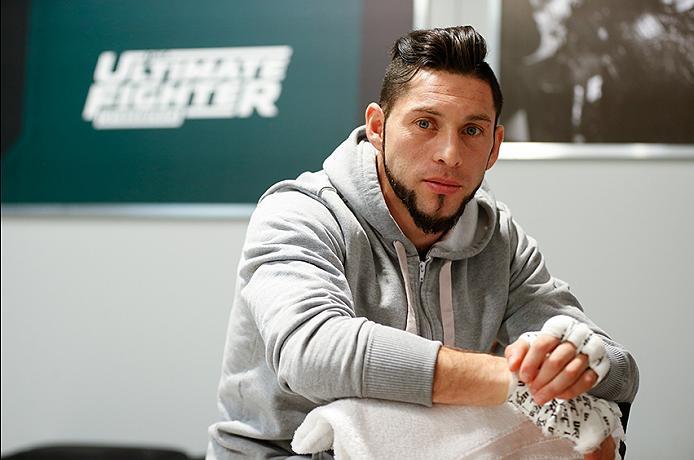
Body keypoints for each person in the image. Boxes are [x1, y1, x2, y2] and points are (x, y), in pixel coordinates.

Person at [207, 25, 639, 459]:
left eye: (472, 131)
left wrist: (579, 364)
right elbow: (313, 352)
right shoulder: (299, 214)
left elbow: (617, 368)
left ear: (494, 147)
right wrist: (513, 380)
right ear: (377, 127)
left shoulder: (499, 239)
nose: (449, 153)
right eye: (425, 123)